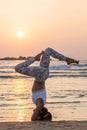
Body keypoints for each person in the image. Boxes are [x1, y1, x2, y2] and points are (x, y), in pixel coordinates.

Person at [15, 47, 79, 121]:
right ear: (40, 112)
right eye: (36, 111)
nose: (34, 110)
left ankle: (67, 59)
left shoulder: (39, 102)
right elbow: (33, 117)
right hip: (41, 75)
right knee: (18, 68)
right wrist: (35, 117)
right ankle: (35, 58)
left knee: (48, 50)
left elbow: (37, 110)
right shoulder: (41, 103)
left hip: (42, 73)